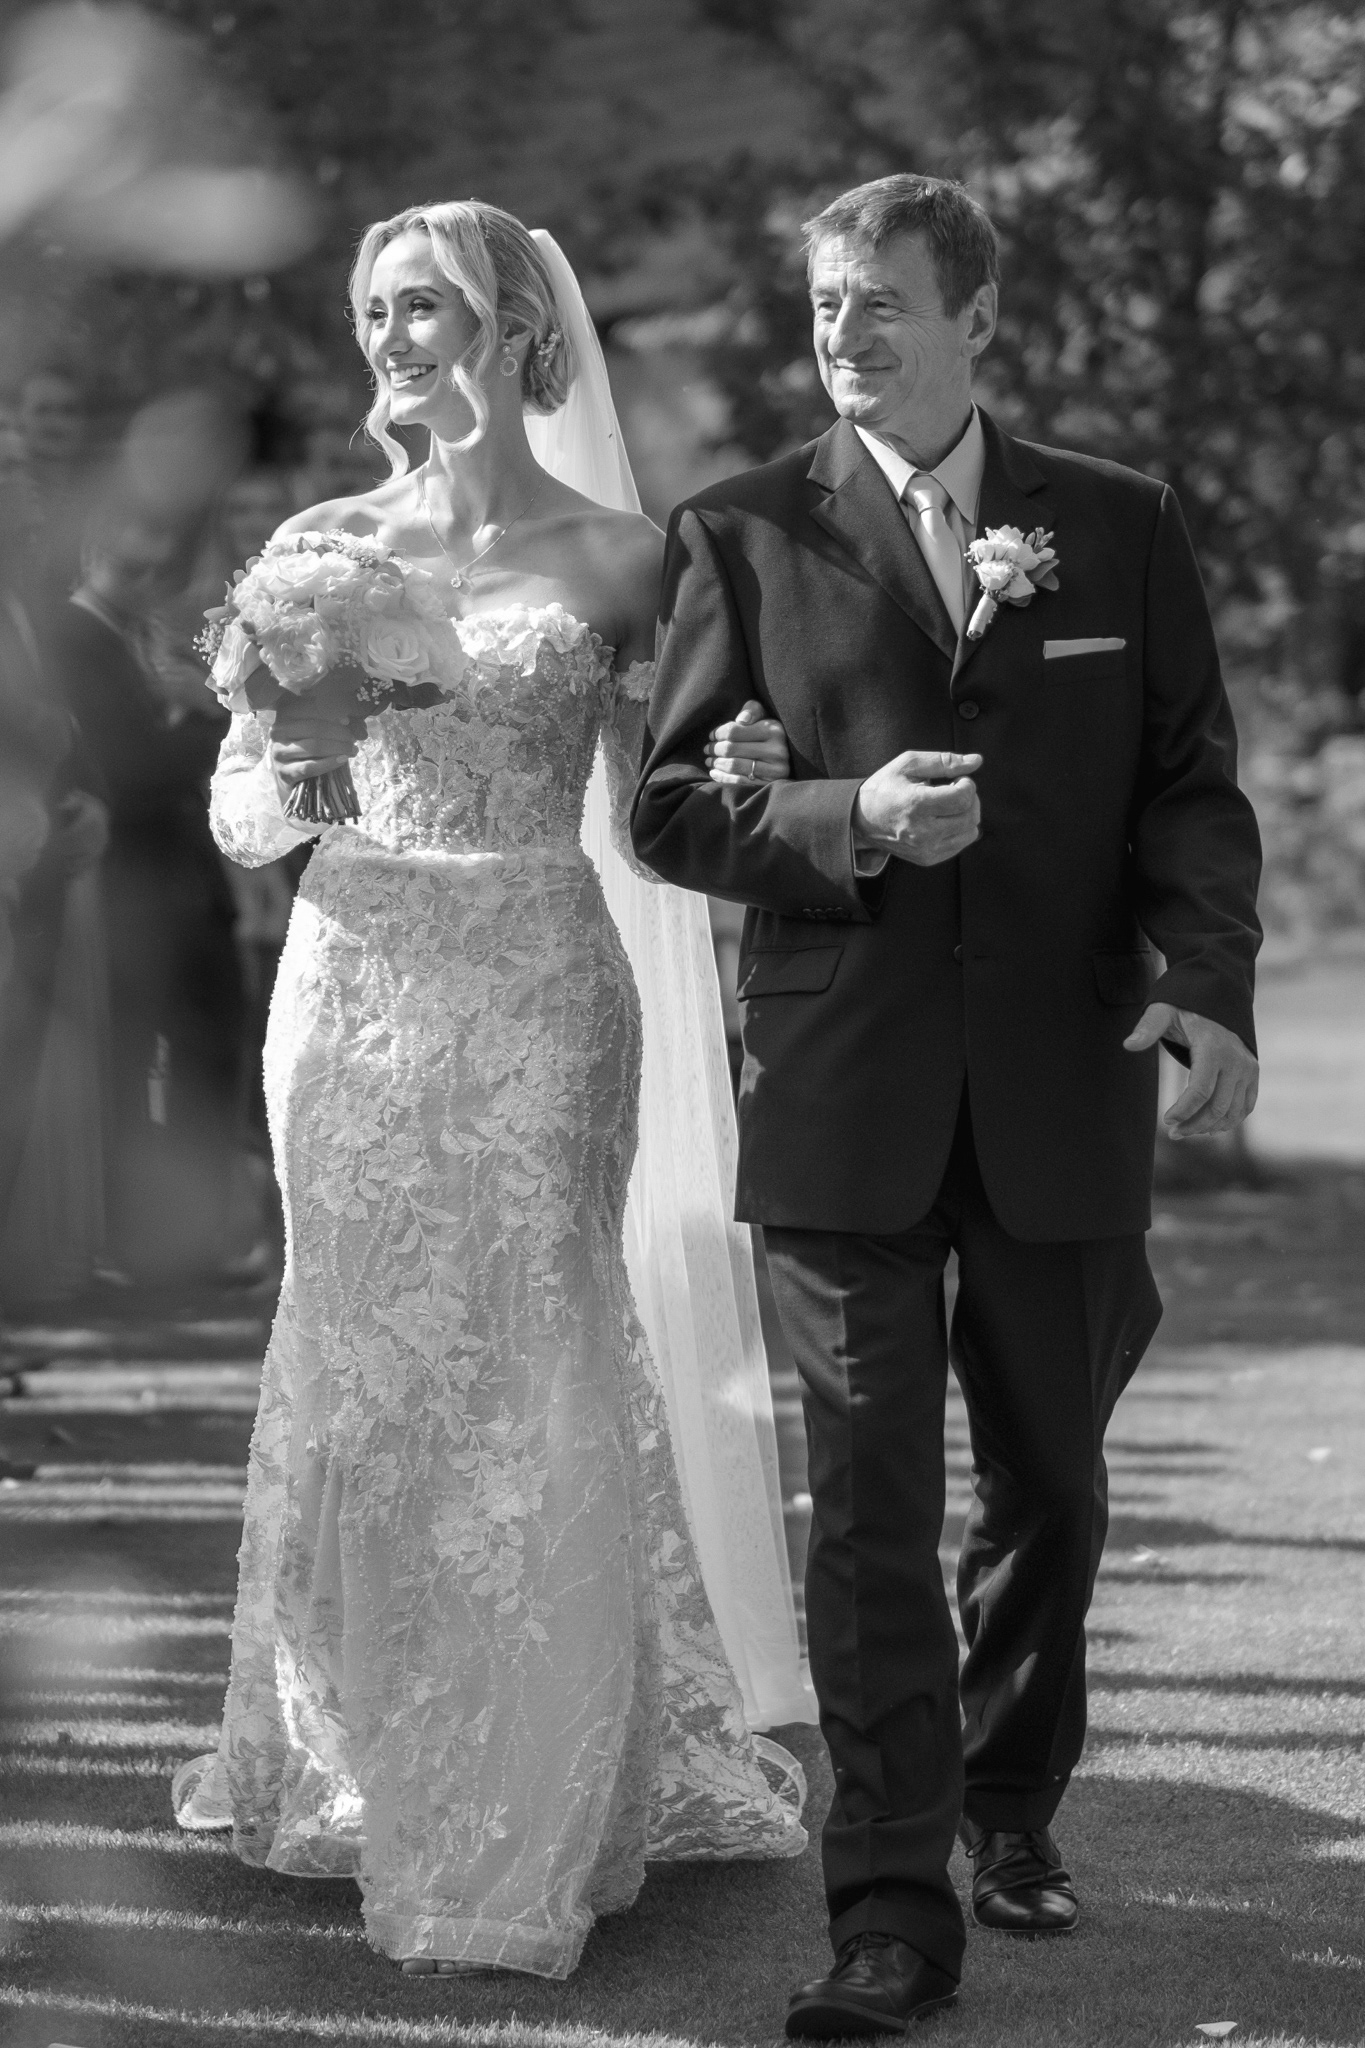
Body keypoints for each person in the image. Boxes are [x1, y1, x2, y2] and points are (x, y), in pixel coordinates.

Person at [631, 172, 1263, 2036]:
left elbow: (1190, 784)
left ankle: (1007, 1799)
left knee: (1052, 1482)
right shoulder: (741, 529)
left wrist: (1206, 980)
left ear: (976, 318)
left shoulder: (1119, 522)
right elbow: (674, 808)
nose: (845, 330)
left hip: (1068, 1076)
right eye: (828, 301)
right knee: (868, 1506)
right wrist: (847, 820)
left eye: (882, 300)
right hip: (840, 1085)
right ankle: (890, 1910)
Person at [173, 200, 811, 1979]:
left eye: (428, 306)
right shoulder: (316, 546)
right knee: (363, 1360)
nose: (393, 337)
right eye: (376, 309)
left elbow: (663, 818)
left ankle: (540, 1780)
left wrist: (750, 766)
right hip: (352, 988)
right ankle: (359, 1754)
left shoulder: (619, 556)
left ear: (523, 329)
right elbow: (243, 818)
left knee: (532, 1350)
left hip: (539, 982)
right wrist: (307, 749)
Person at [46, 514, 244, 1284]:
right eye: (134, 561)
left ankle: (191, 1238)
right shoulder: (74, 636)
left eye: (162, 562)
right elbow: (132, 766)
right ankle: (149, 1243)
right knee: (144, 1062)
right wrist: (221, 720)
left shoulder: (143, 638)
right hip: (136, 886)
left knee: (202, 1056)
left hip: (184, 880)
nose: (151, 574)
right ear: (95, 548)